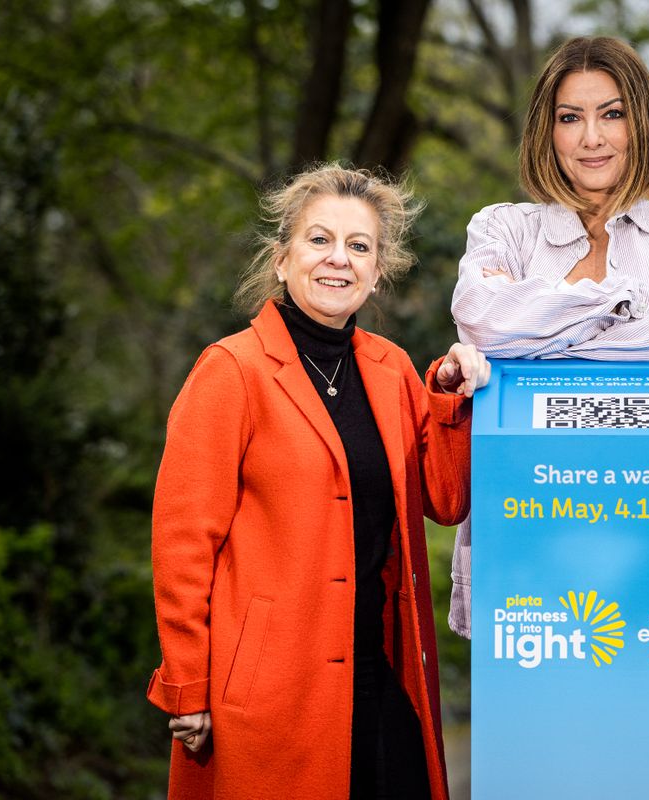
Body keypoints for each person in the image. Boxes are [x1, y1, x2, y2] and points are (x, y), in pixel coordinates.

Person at [146, 164, 489, 799]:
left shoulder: (392, 369)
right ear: (282, 260)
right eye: (319, 239)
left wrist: (448, 397)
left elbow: (446, 500)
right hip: (270, 692)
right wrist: (186, 685)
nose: (339, 259)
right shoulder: (231, 371)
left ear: (377, 271)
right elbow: (183, 548)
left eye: (359, 246)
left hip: (381, 675)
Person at [446, 36, 649, 638]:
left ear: (641, 122)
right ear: (547, 132)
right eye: (570, 118)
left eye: (612, 113)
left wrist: (534, 338)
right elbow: (480, 318)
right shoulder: (504, 228)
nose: (591, 138)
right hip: (524, 528)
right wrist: (622, 303)